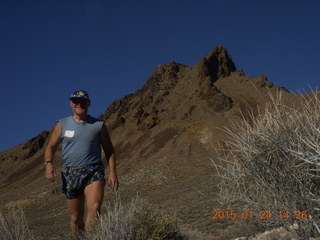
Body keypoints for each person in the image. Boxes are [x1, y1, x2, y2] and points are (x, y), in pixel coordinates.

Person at [44, 90, 118, 234]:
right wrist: (48, 164)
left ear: (89, 103)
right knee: (76, 217)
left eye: (83, 101)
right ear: (71, 104)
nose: (79, 103)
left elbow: (109, 150)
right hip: (70, 173)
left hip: (93, 171)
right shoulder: (62, 124)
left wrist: (113, 172)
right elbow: (51, 147)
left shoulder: (99, 125)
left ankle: (91, 237)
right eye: (76, 101)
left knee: (95, 208)